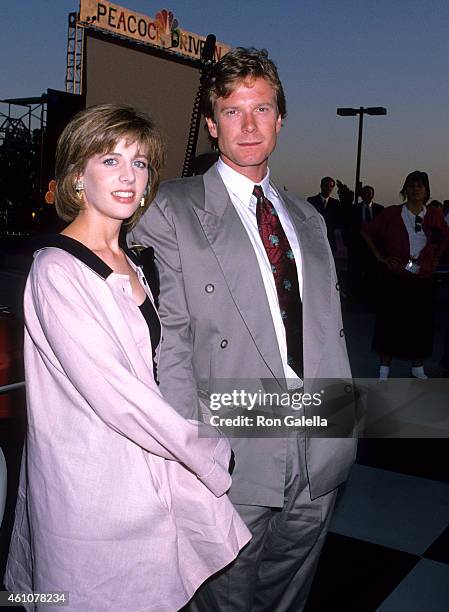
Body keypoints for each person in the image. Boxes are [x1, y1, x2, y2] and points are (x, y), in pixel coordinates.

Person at [130, 48, 356, 612]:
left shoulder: (307, 218)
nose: (249, 124)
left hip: (319, 438)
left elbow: (327, 331)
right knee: (226, 600)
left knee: (288, 594)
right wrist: (197, 456)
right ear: (212, 125)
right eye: (233, 112)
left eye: (262, 109)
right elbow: (170, 345)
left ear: (280, 118)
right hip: (233, 449)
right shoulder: (172, 209)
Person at [4, 104, 250, 611]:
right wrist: (208, 451)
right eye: (110, 160)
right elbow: (120, 397)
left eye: (140, 163)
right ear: (77, 177)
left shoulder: (131, 261)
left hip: (144, 478)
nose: (128, 176)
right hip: (95, 492)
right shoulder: (57, 271)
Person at [362, 170, 449, 379]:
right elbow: (366, 231)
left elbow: (444, 237)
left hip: (423, 278)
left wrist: (436, 257)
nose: (415, 190)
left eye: (419, 186)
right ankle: (384, 369)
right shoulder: (392, 213)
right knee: (390, 322)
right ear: (404, 189)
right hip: (396, 277)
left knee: (420, 324)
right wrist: (380, 256)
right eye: (411, 185)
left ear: (426, 190)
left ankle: (417, 367)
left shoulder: (435, 215)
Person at [347, 185, 384, 305]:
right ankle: (353, 301)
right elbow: (347, 226)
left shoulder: (379, 209)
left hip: (373, 249)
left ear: (373, 195)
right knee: (354, 275)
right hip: (357, 247)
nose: (367, 195)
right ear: (361, 195)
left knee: (372, 276)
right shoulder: (354, 209)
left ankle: (371, 302)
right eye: (365, 193)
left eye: (369, 193)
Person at [307, 176, 341, 253]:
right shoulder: (311, 201)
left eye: (331, 186)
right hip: (315, 238)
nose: (328, 188)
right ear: (321, 186)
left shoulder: (336, 203)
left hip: (330, 240)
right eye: (326, 185)